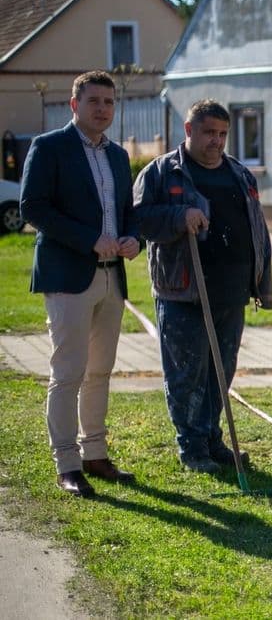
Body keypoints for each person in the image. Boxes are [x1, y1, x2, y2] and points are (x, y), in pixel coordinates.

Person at [134, 100, 272, 474]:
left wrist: (262, 282)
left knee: (220, 371)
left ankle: (212, 439)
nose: (216, 141)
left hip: (231, 292)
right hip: (183, 291)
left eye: (223, 134)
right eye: (209, 132)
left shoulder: (241, 175)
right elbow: (139, 221)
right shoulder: (162, 173)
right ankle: (191, 447)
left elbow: (257, 229)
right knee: (186, 374)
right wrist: (179, 217)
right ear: (189, 130)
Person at [20, 70, 140, 497]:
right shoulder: (49, 147)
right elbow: (33, 207)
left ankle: (95, 454)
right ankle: (68, 465)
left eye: (109, 102)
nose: (103, 109)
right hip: (69, 278)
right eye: (94, 102)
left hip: (113, 279)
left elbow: (128, 213)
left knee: (100, 371)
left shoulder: (119, 156)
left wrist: (134, 239)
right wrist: (90, 240)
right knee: (68, 372)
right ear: (74, 105)